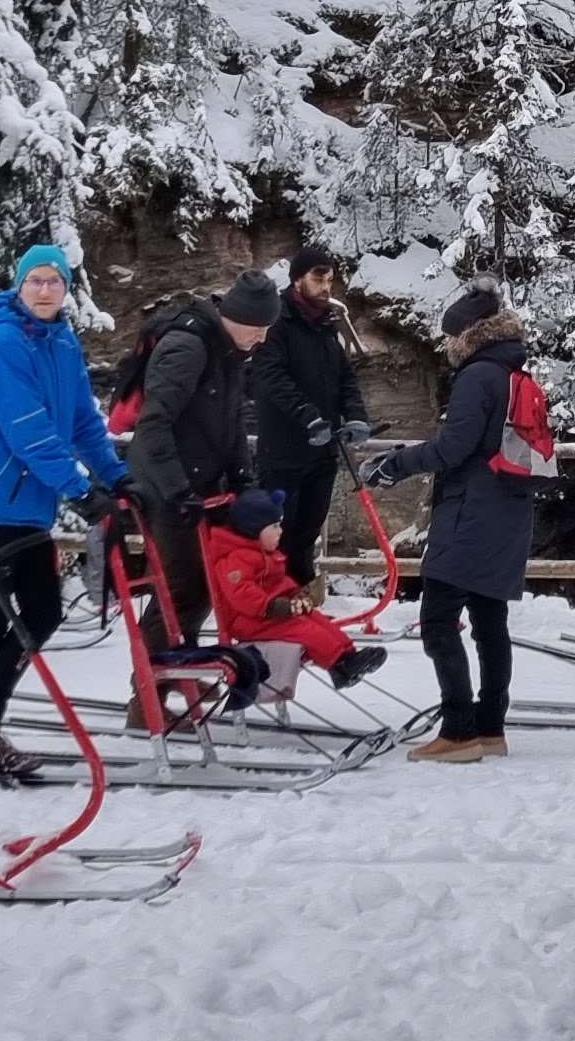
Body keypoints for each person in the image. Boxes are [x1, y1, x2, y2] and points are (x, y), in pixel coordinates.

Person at [0, 244, 122, 789]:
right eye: (36, 280)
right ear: (19, 286)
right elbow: (27, 430)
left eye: (55, 282)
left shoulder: (61, 342)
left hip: (29, 505)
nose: (45, 290)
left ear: (66, 290)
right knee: (1, 616)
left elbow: (80, 420)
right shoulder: (0, 344)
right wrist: (77, 488)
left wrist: (116, 475)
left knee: (40, 611)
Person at [369, 284, 552, 764]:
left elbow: (454, 448)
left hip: (471, 510)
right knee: (491, 623)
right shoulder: (514, 372)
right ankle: (491, 726)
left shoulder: (477, 378)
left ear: (465, 337)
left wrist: (397, 463)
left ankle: (458, 730)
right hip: (510, 510)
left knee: (438, 620)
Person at [124, 269, 279, 646]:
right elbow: (154, 425)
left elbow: (232, 420)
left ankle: (178, 670)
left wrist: (242, 477)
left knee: (209, 583)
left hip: (203, 484)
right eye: (258, 327)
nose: (263, 337)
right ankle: (150, 691)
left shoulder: (228, 350)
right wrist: (177, 490)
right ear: (237, 318)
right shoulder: (189, 347)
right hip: (168, 486)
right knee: (184, 588)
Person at [201, 485, 390, 700]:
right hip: (250, 620)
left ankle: (346, 658)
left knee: (318, 619)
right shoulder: (236, 559)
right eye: (274, 526)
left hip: (271, 614)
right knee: (304, 629)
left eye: (279, 525)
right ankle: (340, 663)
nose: (280, 531)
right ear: (254, 530)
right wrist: (273, 605)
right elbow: (242, 594)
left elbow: (280, 582)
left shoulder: (264, 553)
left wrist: (297, 595)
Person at [250, 245, 367, 589]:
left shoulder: (326, 323)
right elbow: (271, 378)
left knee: (308, 532)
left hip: (323, 452)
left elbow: (345, 376)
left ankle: (301, 595)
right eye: (318, 277)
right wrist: (308, 417)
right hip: (284, 452)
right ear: (297, 280)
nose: (326, 285)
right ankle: (270, 597)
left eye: (330, 278)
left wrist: (356, 416)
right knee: (278, 534)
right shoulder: (276, 321)